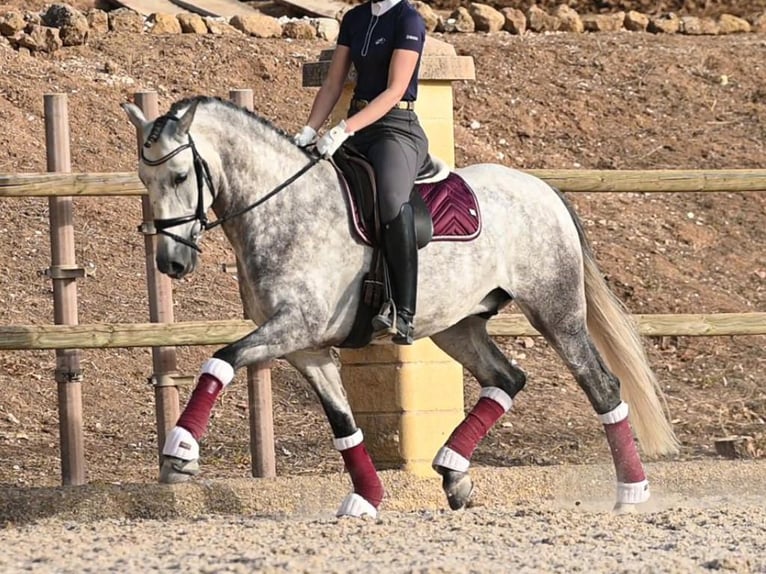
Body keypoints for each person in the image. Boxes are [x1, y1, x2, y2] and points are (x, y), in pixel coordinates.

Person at [293, 0, 429, 346]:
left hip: (396, 128)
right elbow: (333, 84)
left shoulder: (408, 19)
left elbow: (395, 89)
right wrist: (309, 131)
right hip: (359, 124)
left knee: (390, 201)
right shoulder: (354, 19)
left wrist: (343, 130)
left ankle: (404, 312)